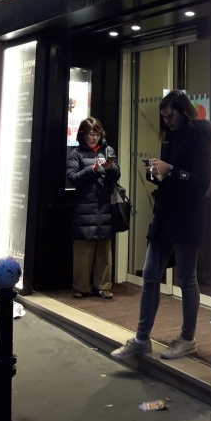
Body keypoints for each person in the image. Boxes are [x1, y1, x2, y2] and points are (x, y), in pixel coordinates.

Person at [111, 91, 211, 361]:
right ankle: (142, 338)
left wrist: (171, 171)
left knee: (186, 277)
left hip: (187, 215)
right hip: (166, 215)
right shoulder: (170, 136)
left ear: (183, 111)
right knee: (150, 275)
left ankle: (187, 338)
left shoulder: (197, 136)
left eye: (171, 115)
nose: (167, 120)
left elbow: (203, 182)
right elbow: (170, 174)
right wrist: (156, 173)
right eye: (164, 117)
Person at [66, 117, 120, 299]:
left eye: (97, 133)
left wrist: (110, 168)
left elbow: (117, 175)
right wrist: (93, 170)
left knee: (104, 249)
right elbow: (72, 178)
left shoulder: (108, 150)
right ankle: (81, 287)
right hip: (84, 207)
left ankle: (103, 286)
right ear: (83, 134)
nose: (94, 137)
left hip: (104, 206)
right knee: (83, 249)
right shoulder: (76, 153)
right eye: (91, 134)